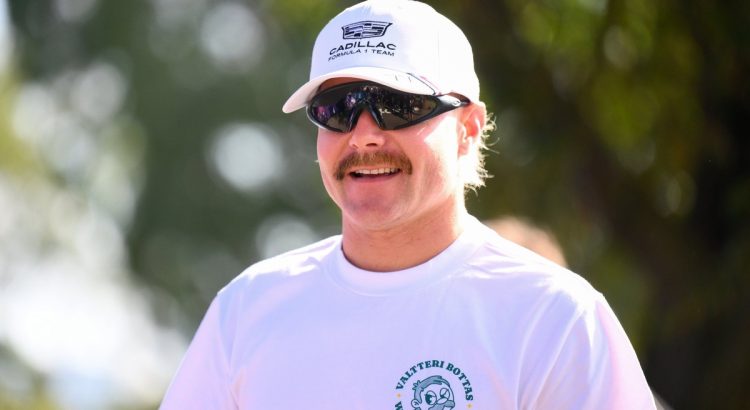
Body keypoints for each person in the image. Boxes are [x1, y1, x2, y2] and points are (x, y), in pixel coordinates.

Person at [160, 1, 656, 408]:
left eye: (398, 105)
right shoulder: (246, 311)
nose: (364, 135)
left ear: (468, 128)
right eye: (337, 109)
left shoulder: (555, 319)